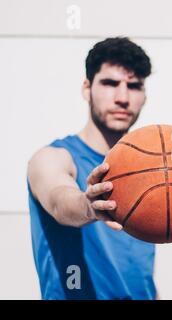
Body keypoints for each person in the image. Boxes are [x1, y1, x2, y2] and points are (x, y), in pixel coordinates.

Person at [27, 37, 157, 299]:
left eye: (134, 86)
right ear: (87, 88)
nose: (122, 97)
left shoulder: (148, 169)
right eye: (110, 83)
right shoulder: (54, 157)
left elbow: (138, 270)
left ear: (144, 96)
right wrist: (89, 205)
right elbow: (58, 201)